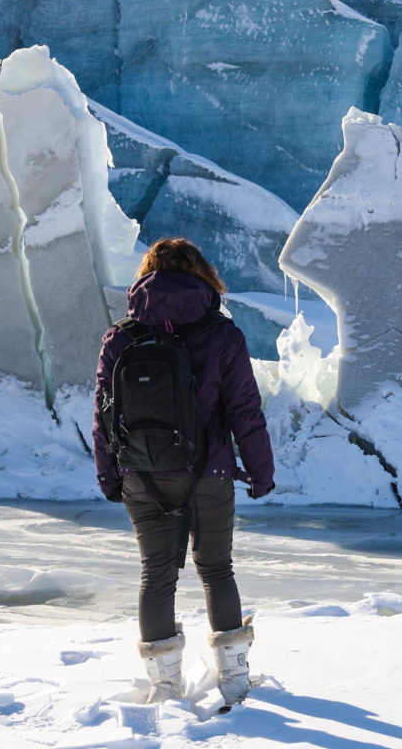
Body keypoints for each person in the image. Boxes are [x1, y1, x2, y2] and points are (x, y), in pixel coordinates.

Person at [93, 237, 275, 707]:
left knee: (156, 575)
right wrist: (260, 471)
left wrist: (109, 475)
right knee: (216, 569)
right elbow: (245, 411)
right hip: (208, 472)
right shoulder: (222, 334)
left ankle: (164, 684)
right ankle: (234, 680)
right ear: (202, 275)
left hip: (141, 472)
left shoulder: (121, 336)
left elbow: (102, 414)